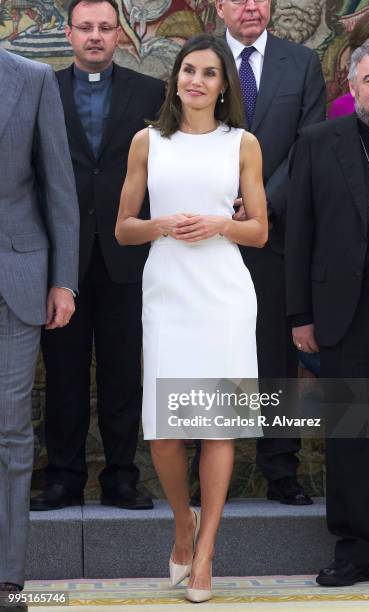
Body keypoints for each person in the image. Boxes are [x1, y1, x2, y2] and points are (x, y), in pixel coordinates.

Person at [116, 33, 267, 602]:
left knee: (218, 425)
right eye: (187, 70)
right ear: (174, 78)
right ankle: (183, 522)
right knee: (164, 433)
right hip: (168, 290)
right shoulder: (147, 141)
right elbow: (123, 226)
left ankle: (205, 556)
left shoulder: (243, 144)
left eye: (208, 73)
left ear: (224, 84)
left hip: (223, 294)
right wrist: (164, 225)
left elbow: (258, 230)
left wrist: (218, 225)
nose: (196, 81)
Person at [30, 0, 165, 512]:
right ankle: (62, 478)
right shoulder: (43, 89)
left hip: (127, 258)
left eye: (105, 28)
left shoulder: (150, 93)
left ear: (119, 36)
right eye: (85, 27)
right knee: (62, 375)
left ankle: (121, 478)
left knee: (121, 375)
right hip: (61, 260)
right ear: (68, 33)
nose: (95, 36)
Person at [286, 37, 369, 587]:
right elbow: (300, 233)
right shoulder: (318, 142)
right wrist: (300, 316)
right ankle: (356, 551)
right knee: (352, 435)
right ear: (352, 87)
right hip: (345, 309)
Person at [213, 0, 326, 506]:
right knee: (211, 354)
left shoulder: (301, 64)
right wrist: (219, 205)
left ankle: (282, 470)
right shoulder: (200, 58)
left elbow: (307, 145)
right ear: (220, 6)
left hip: (277, 234)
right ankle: (208, 468)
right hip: (211, 236)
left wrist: (261, 204)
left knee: (277, 358)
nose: (252, 6)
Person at [0, 48, 79, 605]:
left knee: (10, 429)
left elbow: (59, 187)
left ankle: (8, 576)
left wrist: (63, 281)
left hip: (19, 277)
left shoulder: (30, 79)